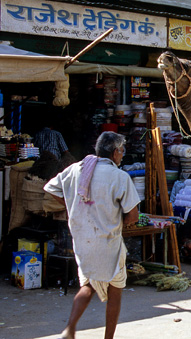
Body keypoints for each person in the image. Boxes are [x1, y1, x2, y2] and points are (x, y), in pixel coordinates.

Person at [44, 131, 140, 339]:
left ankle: (70, 328)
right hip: (109, 242)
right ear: (115, 152)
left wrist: (71, 206)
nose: (122, 156)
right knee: (115, 289)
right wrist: (119, 220)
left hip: (82, 239)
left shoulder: (76, 169)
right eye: (122, 151)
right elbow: (133, 215)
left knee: (88, 284)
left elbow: (51, 188)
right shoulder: (119, 176)